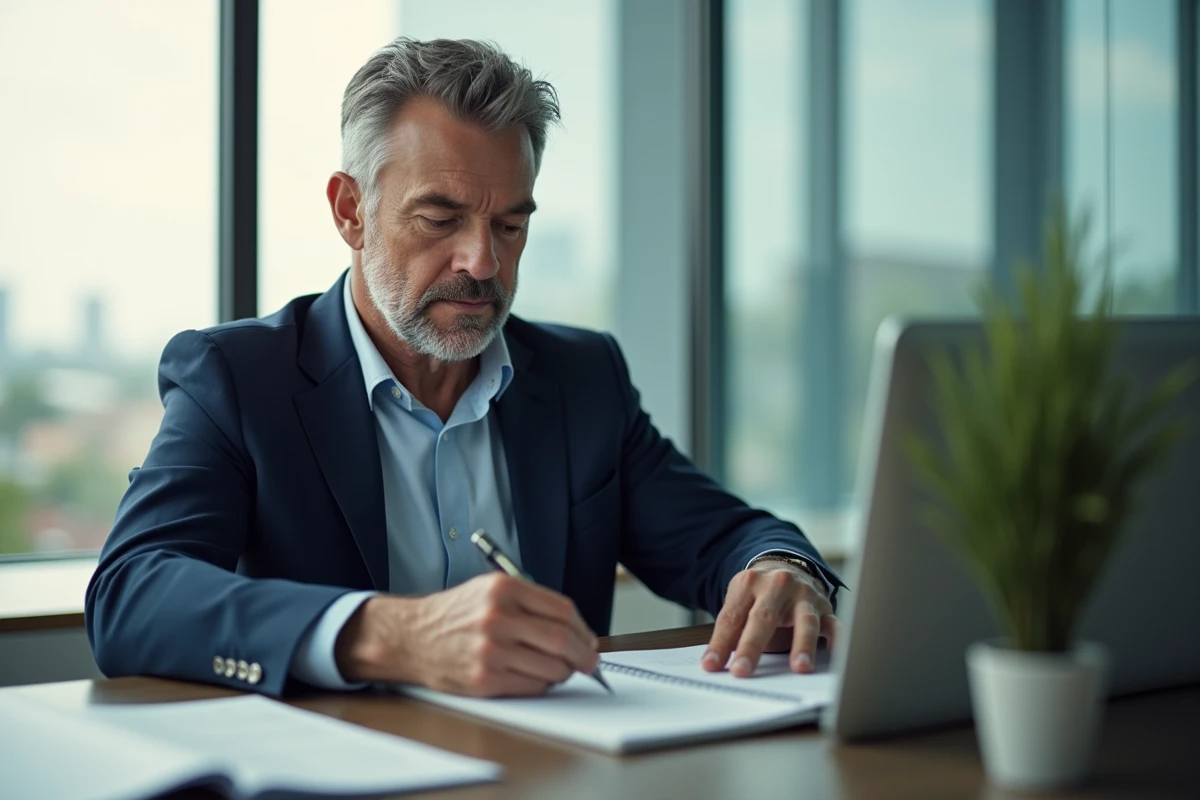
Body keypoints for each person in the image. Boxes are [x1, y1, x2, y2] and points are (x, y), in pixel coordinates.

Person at [85, 37, 843, 699]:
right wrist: (388, 634)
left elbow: (723, 537)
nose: (482, 262)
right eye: (440, 219)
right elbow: (131, 596)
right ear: (350, 210)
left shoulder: (582, 379)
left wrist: (779, 567)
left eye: (510, 224)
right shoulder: (237, 378)